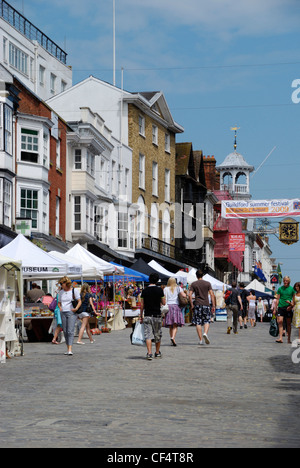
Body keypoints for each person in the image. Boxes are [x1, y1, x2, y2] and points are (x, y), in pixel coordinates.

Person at [140, 273, 166, 360]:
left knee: (148, 335)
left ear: (149, 280)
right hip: (157, 315)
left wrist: (141, 316)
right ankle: (157, 352)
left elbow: (142, 305)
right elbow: (164, 302)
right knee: (157, 334)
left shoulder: (144, 291)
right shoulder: (159, 290)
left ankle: (149, 353)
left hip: (147, 315)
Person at [188, 270, 215, 345]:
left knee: (198, 322)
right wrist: (213, 305)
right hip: (206, 304)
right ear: (203, 275)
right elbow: (212, 294)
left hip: (197, 304)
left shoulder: (194, 284)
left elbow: (189, 295)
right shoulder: (208, 283)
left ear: (196, 275)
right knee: (207, 320)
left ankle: (200, 340)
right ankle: (205, 333)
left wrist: (192, 305)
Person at [57, 276, 80, 355]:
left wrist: (76, 308)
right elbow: (59, 302)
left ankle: (70, 349)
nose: (60, 285)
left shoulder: (74, 291)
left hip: (71, 312)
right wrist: (60, 308)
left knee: (70, 331)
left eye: (61, 283)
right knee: (65, 331)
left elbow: (79, 301)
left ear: (66, 283)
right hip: (63, 312)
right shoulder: (61, 292)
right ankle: (67, 348)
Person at [164, 277, 186, 346]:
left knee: (170, 325)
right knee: (175, 325)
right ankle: (173, 337)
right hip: (176, 306)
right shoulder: (178, 288)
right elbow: (184, 295)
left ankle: (171, 338)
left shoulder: (165, 289)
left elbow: (164, 298)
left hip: (168, 307)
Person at [275, 276, 296, 344]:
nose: (285, 282)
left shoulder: (292, 289)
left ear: (289, 281)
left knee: (288, 324)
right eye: (284, 280)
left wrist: (291, 306)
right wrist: (275, 308)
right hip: (281, 307)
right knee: (280, 321)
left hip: (288, 308)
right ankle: (280, 338)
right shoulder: (280, 288)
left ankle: (289, 339)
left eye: (286, 280)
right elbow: (277, 299)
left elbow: (294, 300)